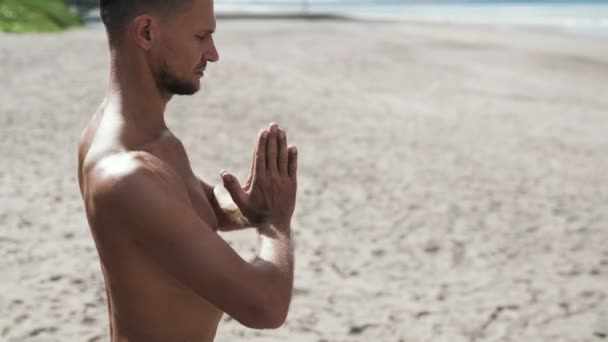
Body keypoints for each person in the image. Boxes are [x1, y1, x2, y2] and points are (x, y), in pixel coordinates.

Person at [76, 0, 298, 341]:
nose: (213, 53)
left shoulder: (148, 140)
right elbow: (265, 306)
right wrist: (275, 223)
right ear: (147, 32)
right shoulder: (125, 174)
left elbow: (192, 209)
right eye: (201, 36)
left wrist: (247, 209)